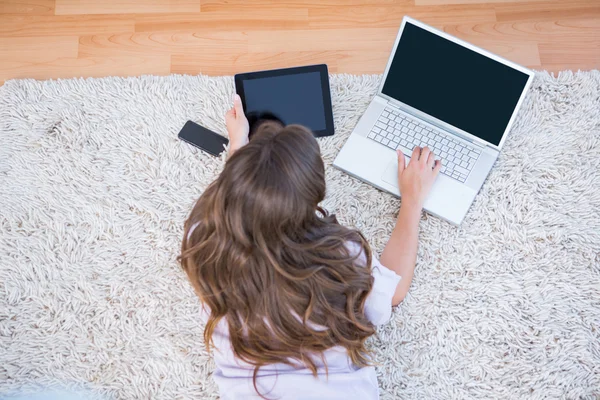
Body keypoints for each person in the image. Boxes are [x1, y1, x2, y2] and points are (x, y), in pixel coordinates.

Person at [179, 95, 441, 399]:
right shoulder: (339, 258)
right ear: (313, 195)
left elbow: (229, 199)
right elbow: (392, 292)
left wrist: (238, 145)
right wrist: (412, 200)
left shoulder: (202, 242)